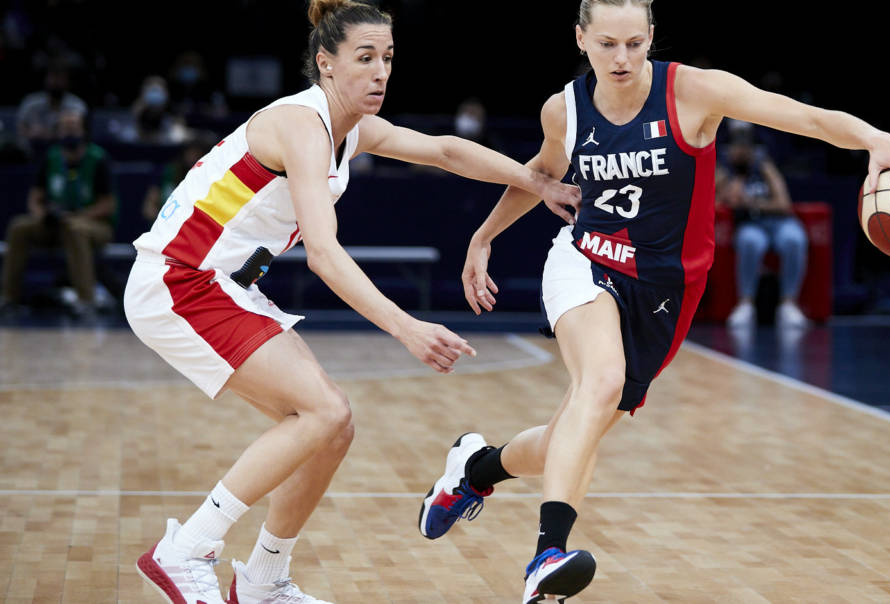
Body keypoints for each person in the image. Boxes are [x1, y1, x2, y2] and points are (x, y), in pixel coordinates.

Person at [416, 1, 890, 602]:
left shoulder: (695, 92)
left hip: (669, 289)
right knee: (601, 383)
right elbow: (540, 171)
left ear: (650, 39)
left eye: (635, 44)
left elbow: (805, 117)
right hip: (584, 258)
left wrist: (874, 140)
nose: (622, 58)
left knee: (578, 430)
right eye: (607, 44)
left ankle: (475, 470)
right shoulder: (563, 108)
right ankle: (547, 556)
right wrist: (484, 236)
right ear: (581, 39)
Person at [124, 2, 578, 603]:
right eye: (365, 58)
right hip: (181, 279)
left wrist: (536, 181)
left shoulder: (352, 129)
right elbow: (324, 254)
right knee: (323, 413)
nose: (380, 72)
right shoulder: (299, 124)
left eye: (387, 58)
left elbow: (445, 149)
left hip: (225, 287)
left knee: (331, 427)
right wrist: (407, 327)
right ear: (325, 64)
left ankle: (262, 580)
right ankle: (185, 550)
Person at [1, 108, 115, 317]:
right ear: (58, 132)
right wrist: (41, 214)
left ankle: (86, 301)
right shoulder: (51, 157)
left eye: (73, 128)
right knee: (19, 227)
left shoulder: (98, 159)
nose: (69, 133)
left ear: (83, 131)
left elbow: (107, 205)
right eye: (64, 128)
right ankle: (9, 299)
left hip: (94, 225)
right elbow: (35, 197)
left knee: (75, 229)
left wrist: (77, 216)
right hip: (56, 223)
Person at [720, 125, 809, 329]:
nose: (740, 151)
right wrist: (731, 188)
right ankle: (746, 304)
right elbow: (719, 201)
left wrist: (752, 202)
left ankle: (788, 304)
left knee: (794, 239)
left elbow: (784, 204)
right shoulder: (724, 170)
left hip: (778, 222)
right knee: (750, 242)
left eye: (745, 147)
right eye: (736, 147)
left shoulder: (764, 166)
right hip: (750, 224)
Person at [15, 64, 88, 155]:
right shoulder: (31, 103)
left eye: (60, 79)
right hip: (31, 151)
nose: (56, 83)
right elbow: (20, 129)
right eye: (53, 78)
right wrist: (31, 133)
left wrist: (47, 134)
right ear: (45, 80)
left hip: (64, 153)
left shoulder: (77, 104)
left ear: (67, 81)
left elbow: (77, 132)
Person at [141, 133, 215, 219]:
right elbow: (148, 208)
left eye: (197, 154)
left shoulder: (207, 177)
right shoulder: (167, 171)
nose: (192, 157)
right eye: (190, 153)